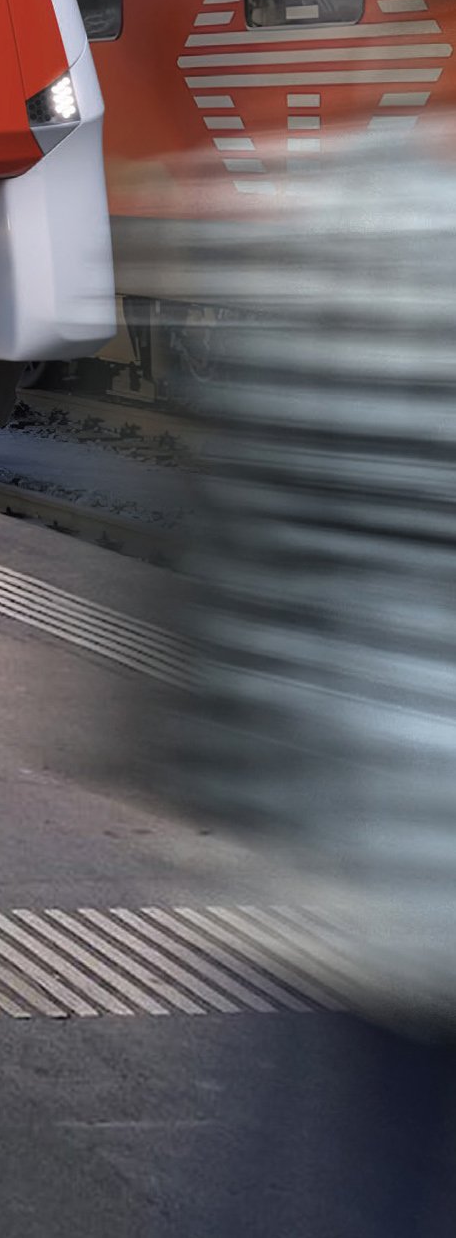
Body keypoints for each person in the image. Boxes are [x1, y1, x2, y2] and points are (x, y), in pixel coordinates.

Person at [156, 131, 456, 1233]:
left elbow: (242, 547)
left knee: (320, 1159)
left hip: (357, 843)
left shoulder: (347, 217)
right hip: (397, 862)